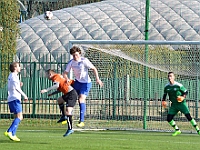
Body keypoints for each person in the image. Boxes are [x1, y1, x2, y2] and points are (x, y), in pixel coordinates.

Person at [63, 46, 103, 128]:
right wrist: (66, 79)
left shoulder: (84, 61)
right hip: (77, 82)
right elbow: (65, 73)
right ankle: (67, 116)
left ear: (80, 54)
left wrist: (97, 79)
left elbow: (94, 69)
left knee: (81, 99)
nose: (75, 57)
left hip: (86, 83)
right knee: (70, 97)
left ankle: (81, 121)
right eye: (73, 55)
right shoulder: (71, 62)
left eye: (76, 55)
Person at [40, 69, 78, 137]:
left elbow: (56, 86)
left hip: (71, 94)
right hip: (67, 93)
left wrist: (46, 90)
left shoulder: (55, 77)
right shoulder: (58, 77)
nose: (46, 77)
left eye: (47, 75)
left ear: (50, 74)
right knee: (59, 100)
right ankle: (64, 116)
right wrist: (52, 93)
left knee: (68, 111)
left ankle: (70, 129)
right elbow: (60, 88)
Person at [162, 72, 200, 136]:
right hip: (174, 105)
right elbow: (165, 94)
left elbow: (186, 92)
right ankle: (177, 130)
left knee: (188, 117)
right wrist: (163, 101)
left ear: (174, 77)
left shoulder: (178, 85)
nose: (169, 78)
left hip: (182, 104)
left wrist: (183, 97)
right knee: (169, 118)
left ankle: (198, 130)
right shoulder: (166, 87)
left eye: (171, 76)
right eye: (168, 76)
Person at [4, 62, 28, 142]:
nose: (20, 68)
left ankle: (13, 135)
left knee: (17, 117)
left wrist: (18, 84)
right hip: (15, 98)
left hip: (11, 98)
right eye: (18, 66)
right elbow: (16, 88)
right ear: (15, 68)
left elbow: (12, 86)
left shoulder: (11, 76)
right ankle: (9, 131)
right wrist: (24, 95)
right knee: (20, 117)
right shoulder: (14, 76)